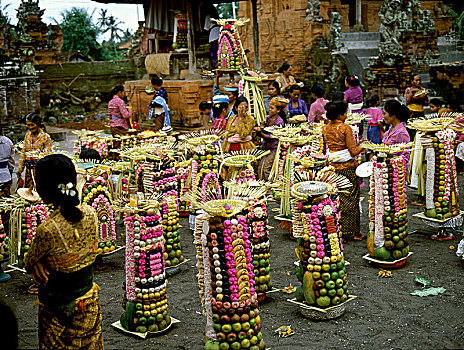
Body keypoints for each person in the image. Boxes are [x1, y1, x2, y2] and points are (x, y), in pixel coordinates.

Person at [24, 154, 103, 349]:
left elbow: (28, 262)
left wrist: (39, 263)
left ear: (44, 190)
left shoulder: (48, 229)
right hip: (89, 303)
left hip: (58, 311)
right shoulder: (91, 213)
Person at [323, 101, 366, 241]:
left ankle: (338, 227)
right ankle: (354, 231)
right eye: (346, 113)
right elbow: (353, 152)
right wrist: (363, 146)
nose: (347, 115)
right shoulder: (344, 128)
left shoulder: (325, 128)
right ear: (341, 114)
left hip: (333, 169)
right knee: (351, 199)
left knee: (337, 198)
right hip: (347, 168)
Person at [17, 113, 52, 189]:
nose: (30, 127)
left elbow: (48, 155)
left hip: (40, 170)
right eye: (28, 125)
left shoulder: (46, 137)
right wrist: (20, 169)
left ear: (38, 124)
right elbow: (23, 153)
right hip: (29, 171)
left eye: (32, 125)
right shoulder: (27, 136)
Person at [256, 97, 287, 180]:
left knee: (266, 169)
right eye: (269, 108)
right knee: (260, 168)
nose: (269, 110)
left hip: (274, 148)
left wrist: (261, 133)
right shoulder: (268, 118)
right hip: (266, 147)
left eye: (272, 108)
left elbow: (272, 136)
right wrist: (260, 127)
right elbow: (263, 126)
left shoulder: (279, 121)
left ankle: (268, 187)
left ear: (278, 110)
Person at [382, 99, 411, 169]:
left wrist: (392, 161)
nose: (383, 116)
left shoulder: (401, 133)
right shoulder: (391, 129)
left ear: (393, 115)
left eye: (384, 113)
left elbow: (405, 158)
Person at [0, 126, 15, 197]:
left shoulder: (7, 142)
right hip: (6, 175)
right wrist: (10, 173)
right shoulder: (8, 141)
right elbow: (11, 161)